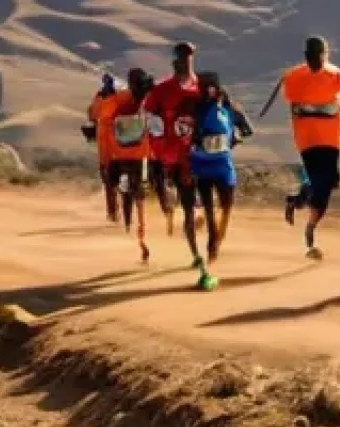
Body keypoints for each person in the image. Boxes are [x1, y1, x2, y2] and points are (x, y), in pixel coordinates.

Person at [279, 36, 340, 260]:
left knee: (329, 181)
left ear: (327, 55)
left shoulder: (335, 75)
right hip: (308, 139)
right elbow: (293, 103)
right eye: (312, 57)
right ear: (306, 57)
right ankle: (310, 233)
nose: (317, 61)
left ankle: (299, 203)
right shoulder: (295, 77)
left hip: (332, 138)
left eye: (321, 56)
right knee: (318, 181)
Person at [189, 71, 254, 290]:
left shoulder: (229, 107)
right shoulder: (195, 108)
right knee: (209, 207)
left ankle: (216, 240)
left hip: (222, 164)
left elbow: (247, 130)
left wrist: (232, 140)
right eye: (202, 86)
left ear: (215, 87)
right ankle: (212, 243)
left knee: (226, 206)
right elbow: (186, 131)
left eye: (208, 86)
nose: (204, 90)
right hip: (203, 163)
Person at [143, 41, 203, 267]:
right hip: (173, 157)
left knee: (198, 204)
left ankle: (198, 219)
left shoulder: (202, 89)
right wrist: (157, 147)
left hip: (199, 156)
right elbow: (149, 118)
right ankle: (196, 254)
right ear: (175, 61)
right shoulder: (161, 90)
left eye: (188, 57)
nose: (184, 61)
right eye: (181, 57)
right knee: (187, 206)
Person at [102, 68, 155, 263]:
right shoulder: (123, 100)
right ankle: (135, 232)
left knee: (127, 186)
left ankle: (140, 236)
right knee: (133, 189)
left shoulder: (132, 98)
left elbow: (105, 118)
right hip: (134, 152)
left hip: (132, 152)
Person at [86, 73, 120, 223]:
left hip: (110, 141)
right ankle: (113, 212)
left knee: (107, 176)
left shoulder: (100, 97)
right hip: (118, 139)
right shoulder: (119, 96)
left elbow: (92, 114)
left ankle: (113, 212)